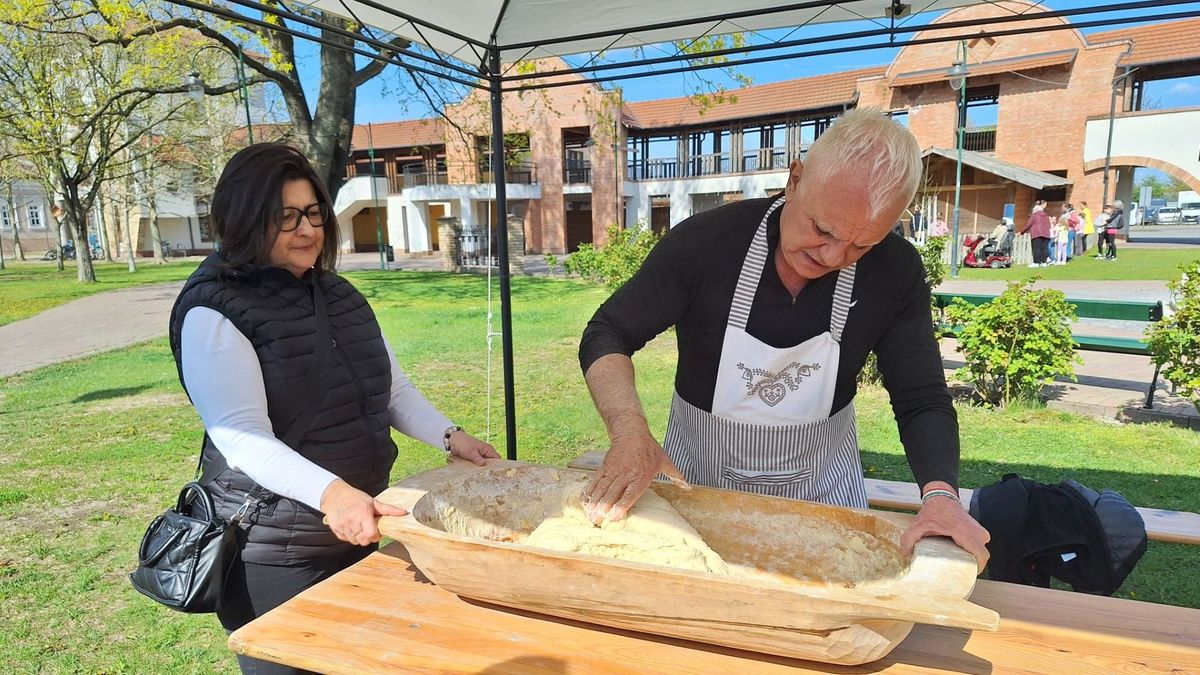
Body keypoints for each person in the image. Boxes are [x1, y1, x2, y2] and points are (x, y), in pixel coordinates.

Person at [576, 108, 990, 572]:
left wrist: (940, 496)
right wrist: (631, 433)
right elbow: (608, 332)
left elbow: (921, 397)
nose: (834, 256)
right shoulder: (707, 244)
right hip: (698, 487)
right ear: (795, 180)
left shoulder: (895, 271)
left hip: (823, 495)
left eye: (861, 246)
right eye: (823, 230)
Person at [167, 143, 499, 675]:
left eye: (314, 213)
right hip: (274, 553)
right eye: (286, 217)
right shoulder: (214, 311)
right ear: (244, 220)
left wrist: (449, 436)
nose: (307, 230)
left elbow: (390, 389)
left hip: (354, 530)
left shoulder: (337, 293)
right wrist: (334, 495)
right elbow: (242, 437)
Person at [1020, 200, 1052, 267]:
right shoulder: (1046, 216)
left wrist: (1021, 232)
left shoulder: (1034, 215)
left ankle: (1036, 262)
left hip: (1036, 233)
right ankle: (1044, 262)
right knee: (1044, 248)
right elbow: (1049, 225)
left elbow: (1028, 224)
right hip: (1046, 234)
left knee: (1036, 248)